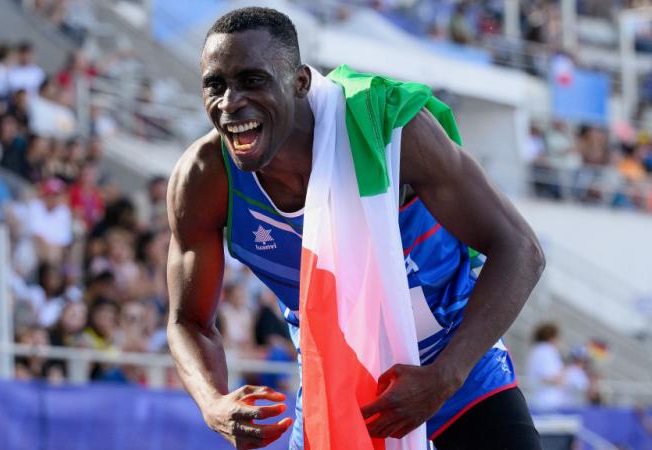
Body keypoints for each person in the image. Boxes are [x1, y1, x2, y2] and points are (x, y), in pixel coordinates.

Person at [166, 7, 545, 450]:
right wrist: (213, 403)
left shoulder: (387, 131)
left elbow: (520, 249)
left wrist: (445, 376)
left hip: (456, 368)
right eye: (215, 85)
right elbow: (188, 320)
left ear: (300, 82)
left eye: (252, 80)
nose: (230, 102)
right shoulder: (206, 178)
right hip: (342, 376)